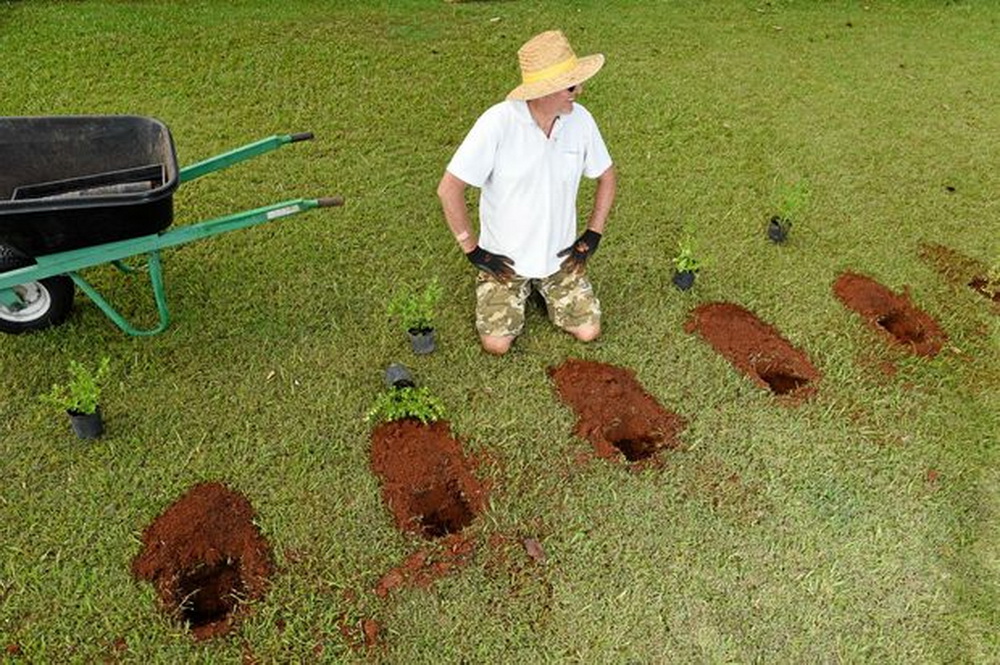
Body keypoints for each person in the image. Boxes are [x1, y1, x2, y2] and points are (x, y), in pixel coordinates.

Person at [437, 29, 617, 355]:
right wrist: (473, 250)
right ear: (544, 91)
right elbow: (449, 188)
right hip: (505, 263)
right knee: (497, 344)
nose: (579, 91)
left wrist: (593, 234)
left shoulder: (581, 121)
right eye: (571, 86)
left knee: (589, 331)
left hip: (561, 258)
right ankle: (513, 288)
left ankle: (545, 288)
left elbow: (606, 176)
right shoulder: (497, 123)